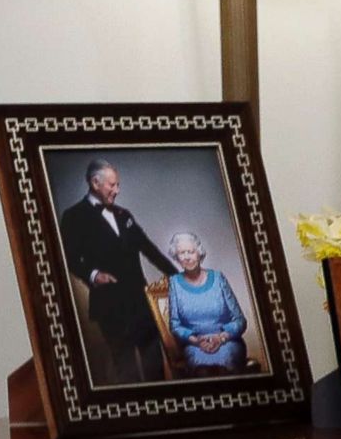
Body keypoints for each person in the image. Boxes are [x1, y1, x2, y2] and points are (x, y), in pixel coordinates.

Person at [59, 158, 176, 384]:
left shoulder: (124, 215)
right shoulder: (74, 216)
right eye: (112, 185)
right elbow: (68, 257)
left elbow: (149, 249)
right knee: (126, 368)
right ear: (95, 183)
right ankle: (136, 417)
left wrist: (178, 277)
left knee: (154, 366)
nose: (117, 190)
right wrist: (93, 275)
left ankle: (162, 414)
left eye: (118, 185)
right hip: (110, 305)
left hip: (141, 303)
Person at [165, 232, 248, 377]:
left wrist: (221, 338)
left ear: (199, 253)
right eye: (181, 253)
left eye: (190, 251)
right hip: (195, 345)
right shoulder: (174, 283)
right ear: (176, 258)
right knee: (201, 371)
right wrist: (196, 341)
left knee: (226, 367)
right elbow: (175, 325)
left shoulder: (218, 278)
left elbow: (240, 321)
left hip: (226, 342)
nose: (187, 257)